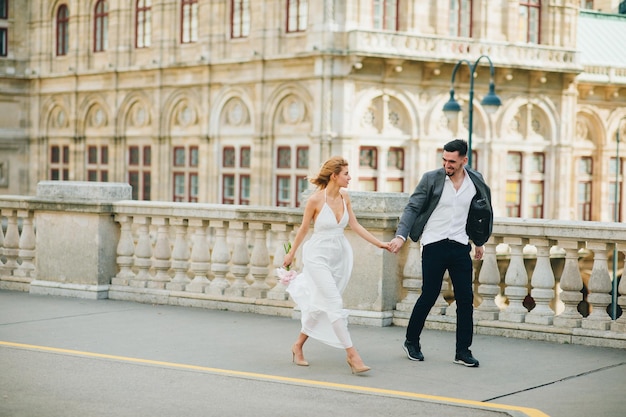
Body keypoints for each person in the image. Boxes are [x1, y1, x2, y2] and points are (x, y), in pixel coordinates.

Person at [388, 139, 493, 368]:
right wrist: (400, 236)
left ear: (464, 160)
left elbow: (480, 212)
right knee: (429, 294)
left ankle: (463, 351)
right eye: (444, 159)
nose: (447, 164)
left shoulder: (475, 181)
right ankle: (411, 341)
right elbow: (412, 207)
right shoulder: (431, 179)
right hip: (434, 243)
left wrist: (479, 241)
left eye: (452, 161)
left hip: (459, 244)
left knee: (465, 299)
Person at [283, 156, 390, 374]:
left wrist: (380, 243)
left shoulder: (345, 196)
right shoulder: (315, 200)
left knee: (322, 304)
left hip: (339, 256)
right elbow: (304, 229)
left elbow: (355, 225)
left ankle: (298, 345)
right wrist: (291, 253)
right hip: (317, 256)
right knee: (333, 303)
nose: (350, 178)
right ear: (334, 176)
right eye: (346, 174)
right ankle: (353, 356)